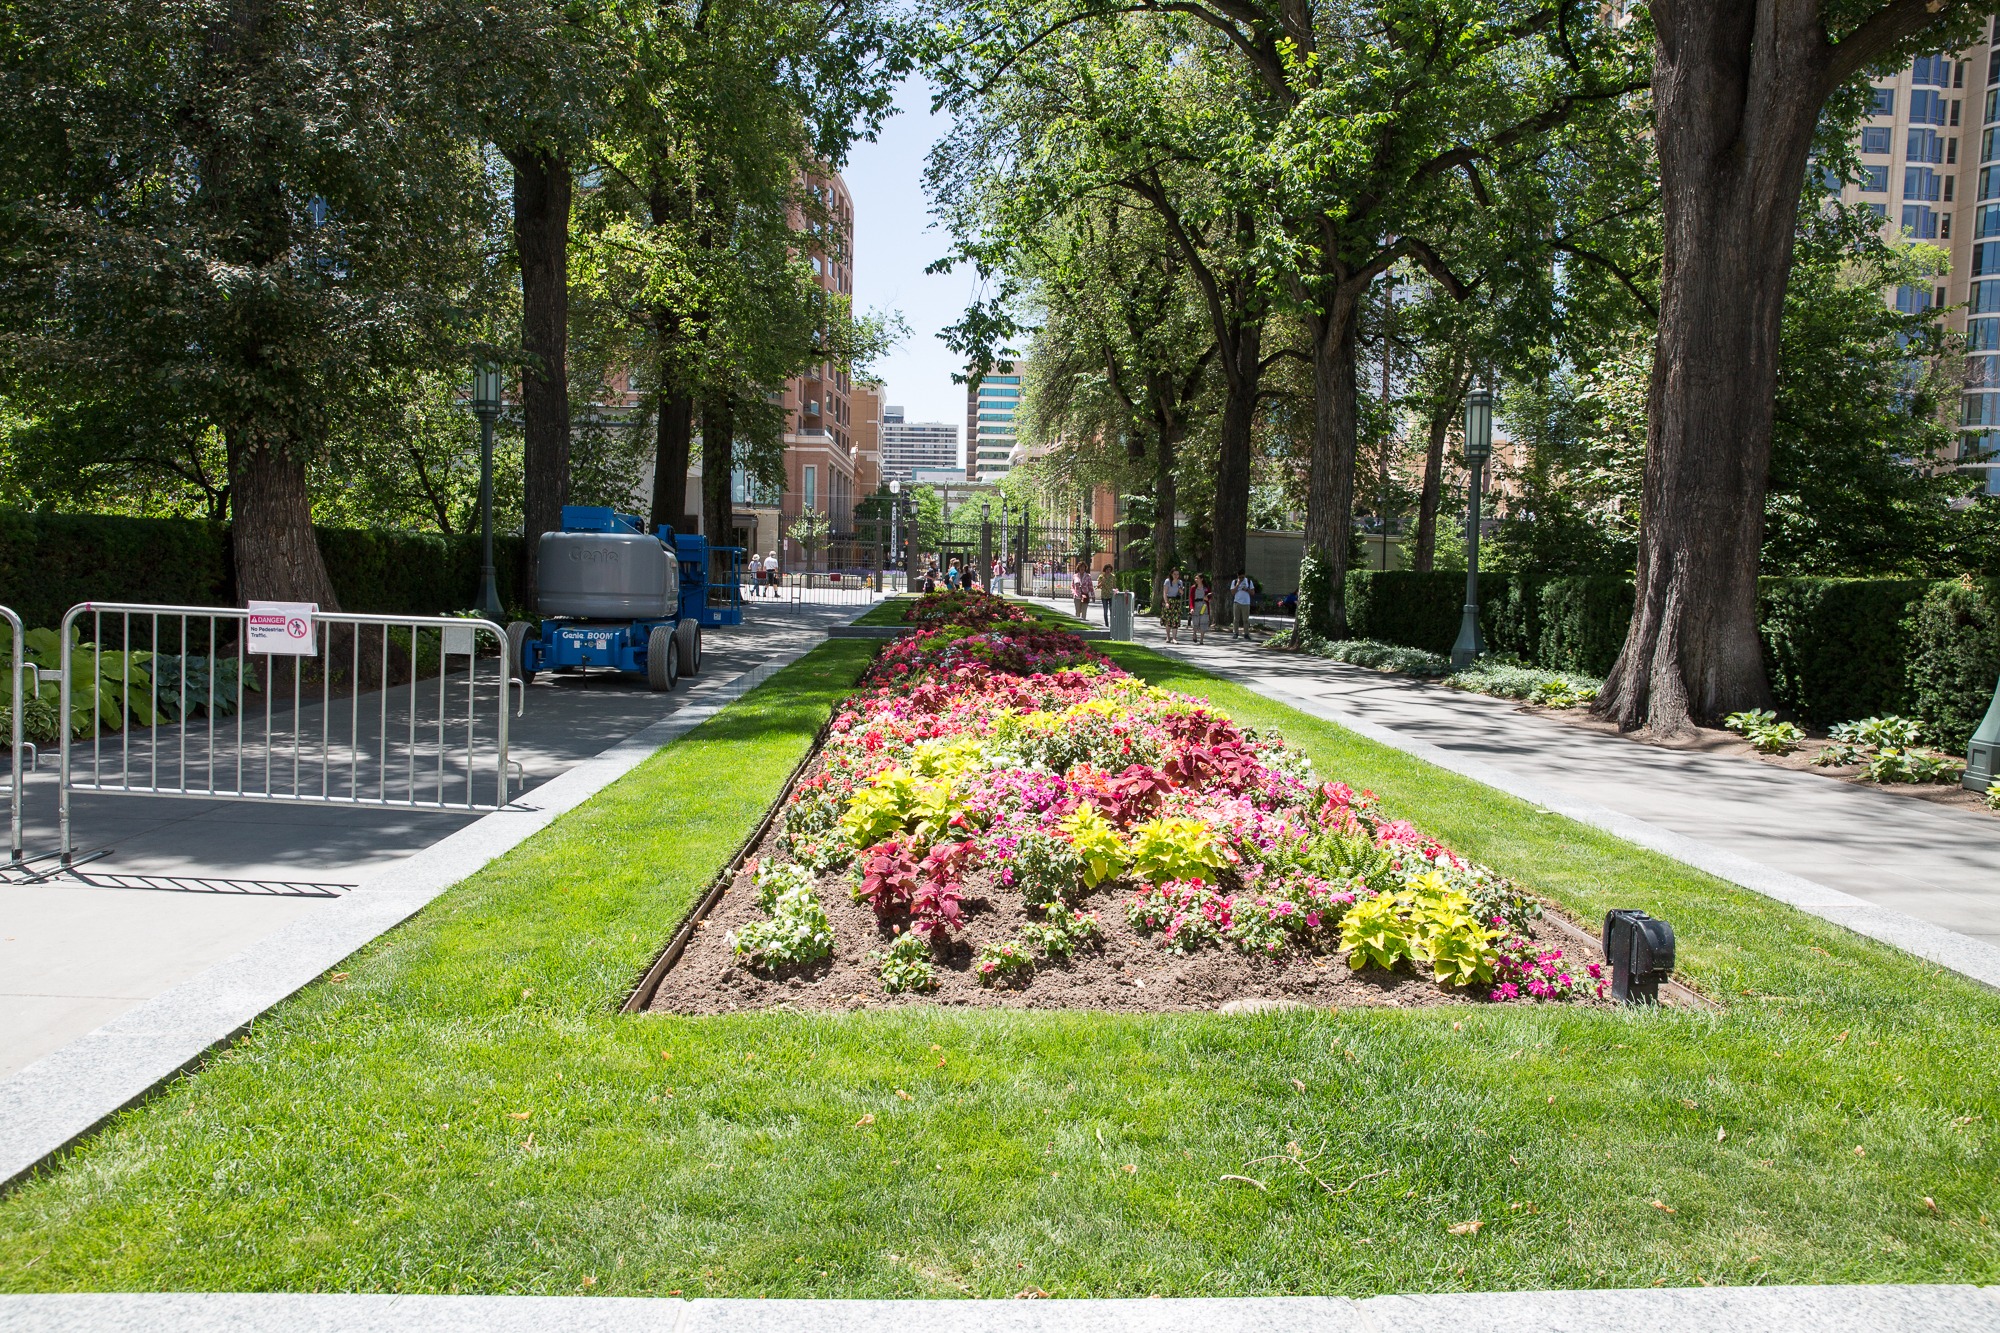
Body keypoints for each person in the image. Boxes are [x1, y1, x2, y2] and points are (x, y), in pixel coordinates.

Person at [1159, 568, 1185, 643]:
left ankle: (1174, 638)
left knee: (1175, 619)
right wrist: (1166, 602)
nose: (1176, 576)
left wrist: (1181, 591)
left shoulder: (1180, 582)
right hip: (1169, 600)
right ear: (1171, 574)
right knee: (1168, 620)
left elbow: (1181, 593)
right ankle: (1168, 636)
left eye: (1177, 574)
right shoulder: (1167, 581)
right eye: (1174, 574)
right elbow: (1165, 592)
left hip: (1176, 601)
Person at [1229, 571, 1255, 639]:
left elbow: (1252, 593)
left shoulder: (1249, 581)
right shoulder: (1234, 582)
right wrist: (1237, 585)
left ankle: (1246, 634)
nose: (1241, 579)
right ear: (1237, 576)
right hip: (1237, 602)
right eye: (1239, 577)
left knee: (1245, 619)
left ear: (1245, 575)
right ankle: (1235, 633)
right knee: (1236, 619)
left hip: (1246, 603)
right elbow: (1232, 592)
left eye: (1242, 577)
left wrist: (1247, 589)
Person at [1187, 574, 1211, 644]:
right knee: (1196, 621)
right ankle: (1194, 633)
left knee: (1203, 621)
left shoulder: (1206, 588)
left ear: (1201, 579)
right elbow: (1191, 598)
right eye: (1195, 578)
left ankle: (1201, 640)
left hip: (1204, 605)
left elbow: (1210, 596)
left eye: (1197, 578)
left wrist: (1208, 598)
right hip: (1196, 605)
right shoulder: (1193, 588)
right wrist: (1191, 608)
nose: (1196, 580)